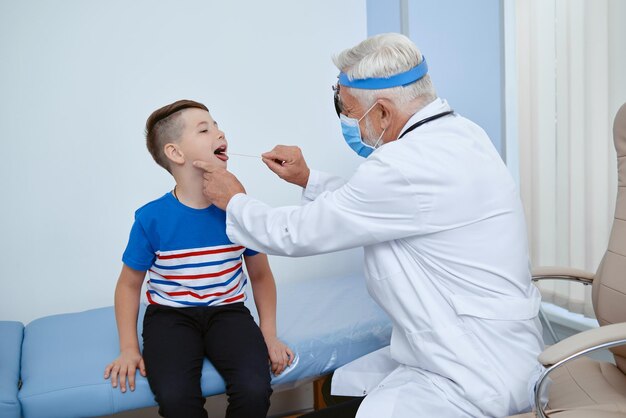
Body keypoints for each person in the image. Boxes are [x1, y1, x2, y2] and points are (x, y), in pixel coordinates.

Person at [193, 33, 545, 418]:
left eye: (347, 110)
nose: (346, 122)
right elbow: (389, 205)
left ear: (381, 112)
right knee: (350, 387)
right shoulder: (461, 134)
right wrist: (307, 178)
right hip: (486, 349)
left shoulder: (404, 165)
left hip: (473, 375)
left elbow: (300, 232)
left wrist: (234, 201)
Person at [103, 99, 294, 418]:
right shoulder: (151, 219)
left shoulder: (240, 210)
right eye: (205, 129)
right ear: (175, 153)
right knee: (175, 398)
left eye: (217, 125)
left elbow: (260, 276)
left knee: (254, 389)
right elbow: (128, 286)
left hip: (229, 313)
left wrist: (269, 333)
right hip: (170, 318)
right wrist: (128, 348)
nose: (220, 133)